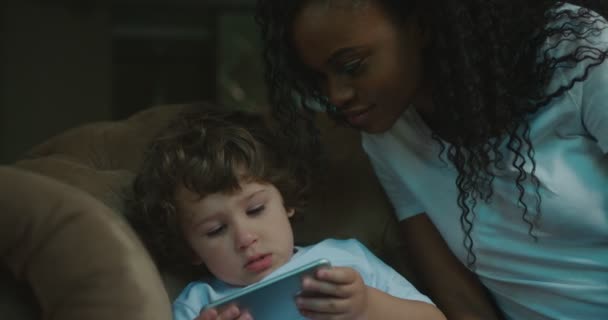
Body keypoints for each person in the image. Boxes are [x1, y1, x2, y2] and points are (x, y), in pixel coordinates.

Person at [255, 0, 608, 319]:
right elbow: (456, 292)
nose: (337, 95)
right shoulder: (388, 132)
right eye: (318, 78)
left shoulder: (576, 53)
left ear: (421, 24)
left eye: (352, 66)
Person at [129, 104, 445, 320]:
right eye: (215, 230)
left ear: (287, 202)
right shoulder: (200, 303)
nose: (245, 238)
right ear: (191, 248)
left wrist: (368, 305)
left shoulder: (346, 259)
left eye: (255, 209)